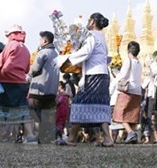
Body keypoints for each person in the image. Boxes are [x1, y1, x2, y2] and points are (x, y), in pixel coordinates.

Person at [59, 12, 114, 147]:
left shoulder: (91, 35)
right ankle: (108, 138)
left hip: (93, 75)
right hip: (103, 75)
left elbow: (86, 52)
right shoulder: (101, 37)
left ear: (93, 22)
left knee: (78, 103)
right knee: (100, 105)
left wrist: (68, 59)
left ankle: (71, 138)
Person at [0, 25, 35, 143]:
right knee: (22, 109)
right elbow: (26, 69)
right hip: (20, 82)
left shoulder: (9, 46)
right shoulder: (26, 49)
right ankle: (30, 136)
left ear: (11, 35)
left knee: (1, 108)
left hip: (6, 81)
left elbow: (0, 63)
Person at [27, 31, 59, 143]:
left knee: (34, 112)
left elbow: (35, 69)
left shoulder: (42, 52)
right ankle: (46, 136)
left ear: (45, 41)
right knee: (47, 115)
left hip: (39, 89)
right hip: (52, 90)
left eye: (40, 39)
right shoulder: (56, 54)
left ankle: (38, 135)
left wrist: (28, 76)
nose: (39, 41)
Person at [112, 41, 143, 144]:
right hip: (137, 90)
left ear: (128, 50)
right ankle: (132, 134)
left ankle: (130, 132)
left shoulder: (128, 60)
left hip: (128, 89)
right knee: (132, 114)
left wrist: (115, 81)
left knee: (120, 113)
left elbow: (123, 75)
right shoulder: (139, 62)